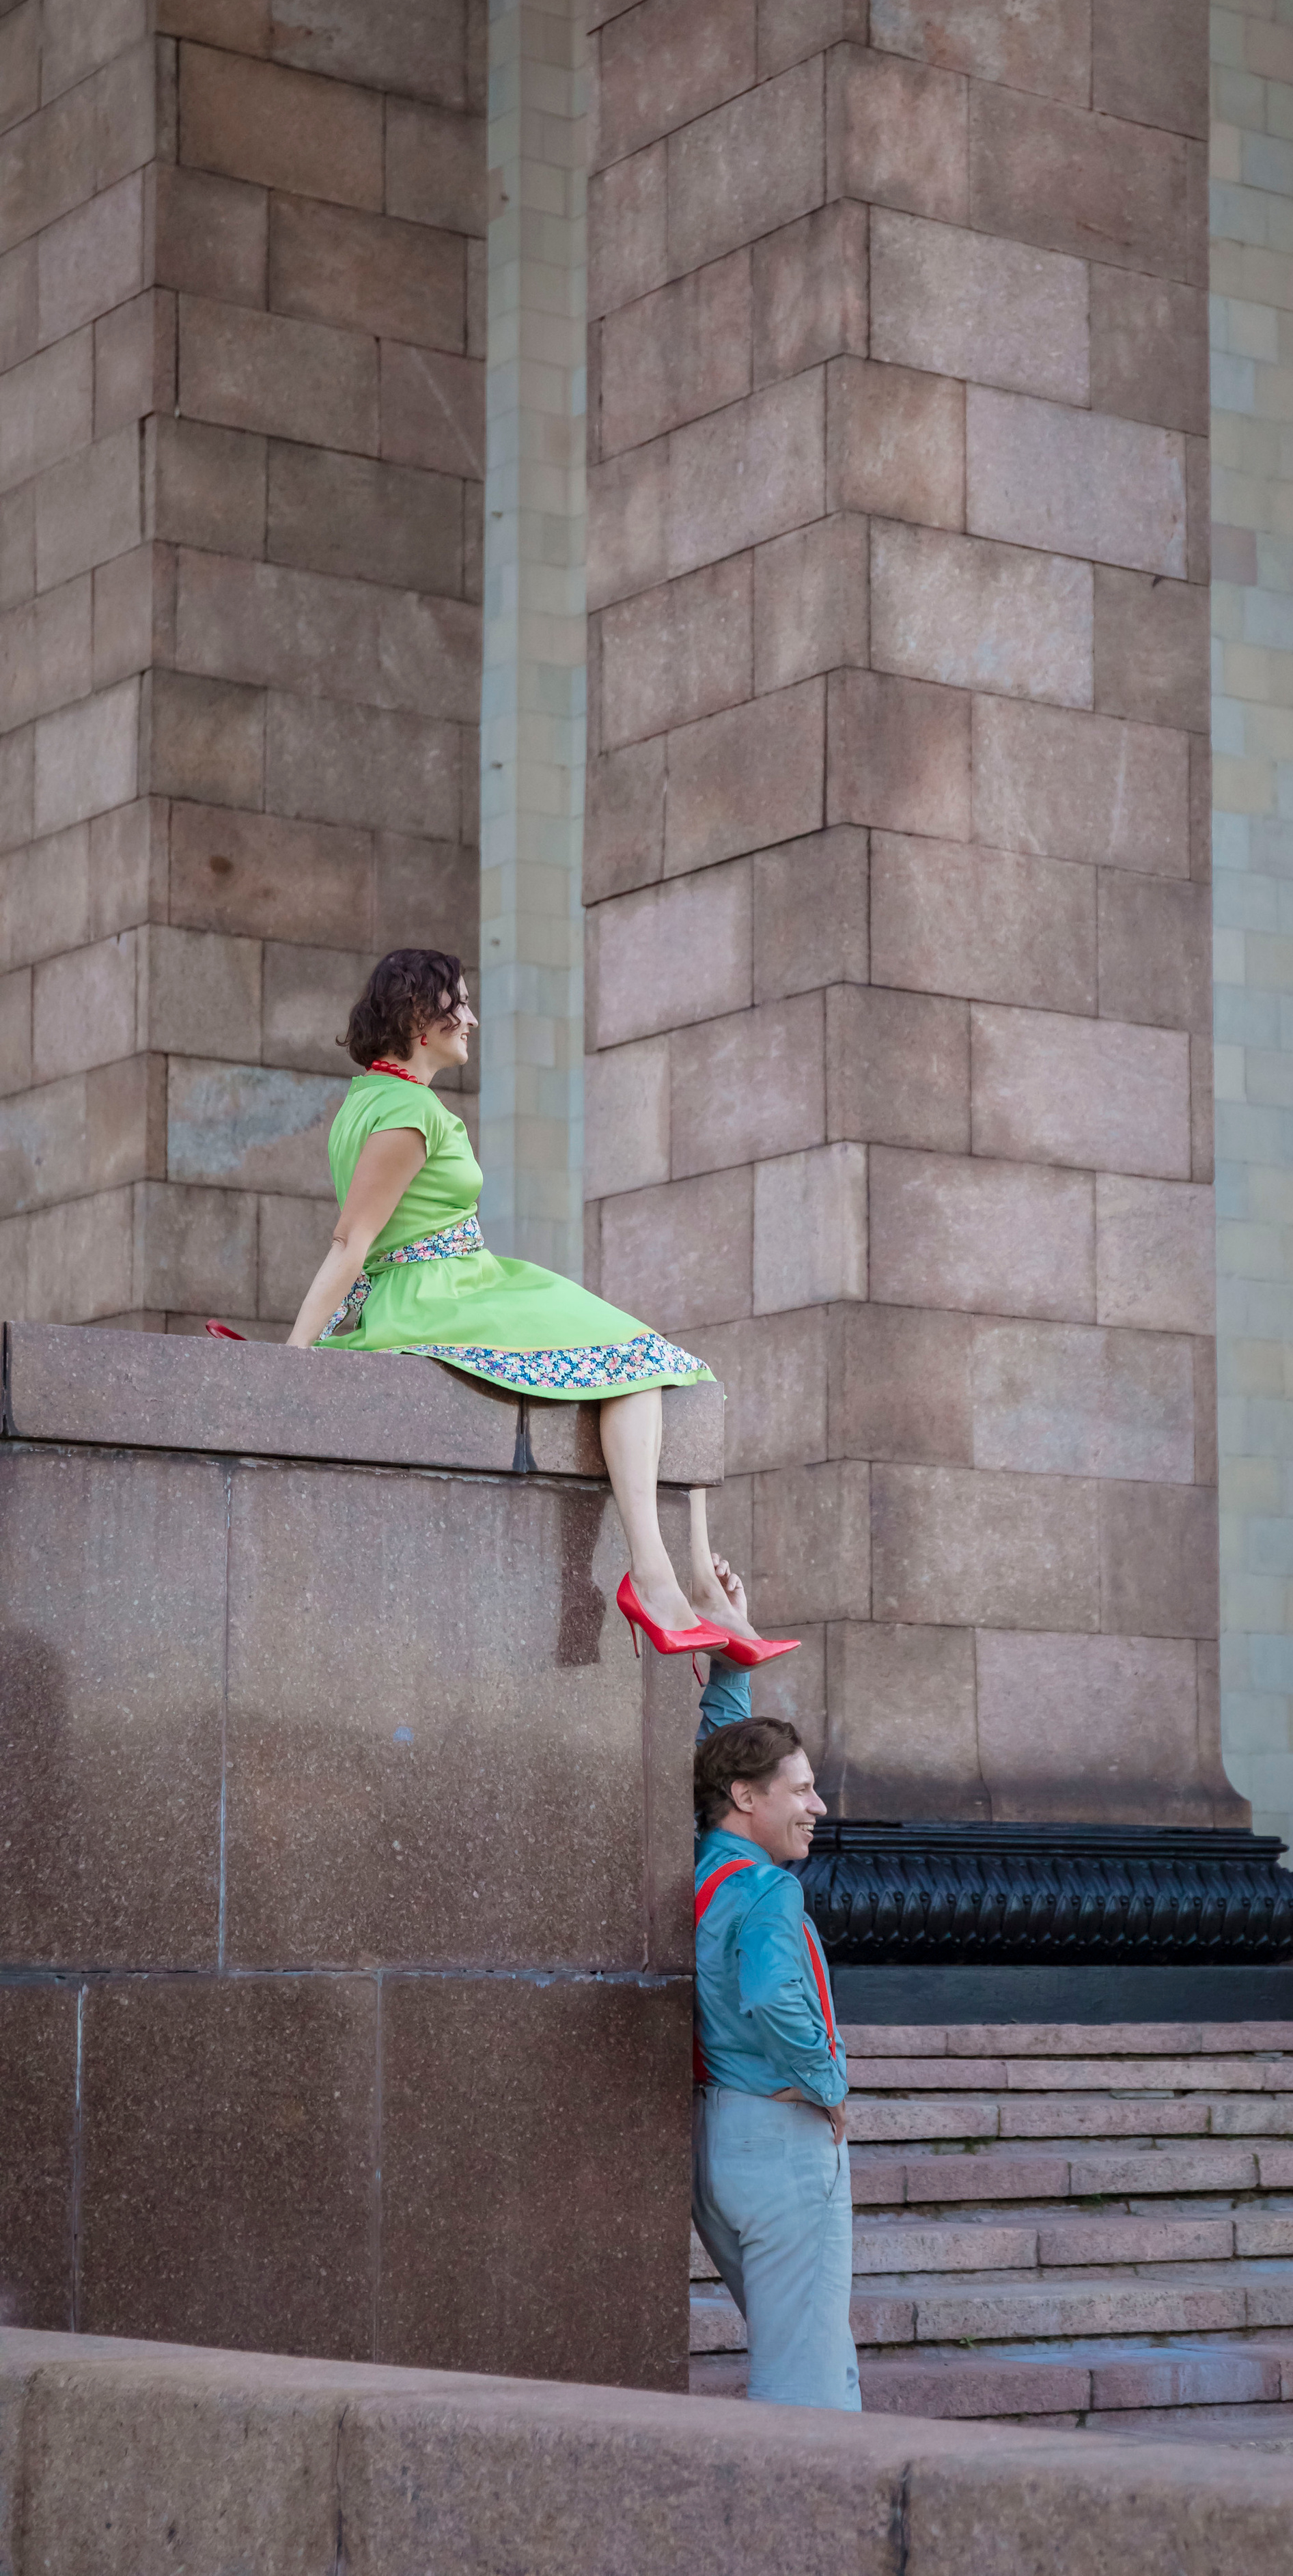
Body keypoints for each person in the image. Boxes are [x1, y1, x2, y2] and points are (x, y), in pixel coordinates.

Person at [283, 947, 793, 1664]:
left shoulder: (377, 1100)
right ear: (418, 1017)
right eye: (458, 1003)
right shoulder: (403, 1110)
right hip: (437, 1295)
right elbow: (352, 1242)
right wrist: (292, 1361)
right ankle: (655, 1581)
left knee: (682, 1372)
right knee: (644, 1363)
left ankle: (698, 1592)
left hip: (464, 1282)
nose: (473, 1018)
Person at [691, 1554, 859, 2412]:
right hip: (783, 2134)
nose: (817, 1805)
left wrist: (731, 1651)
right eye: (801, 1790)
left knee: (804, 2347)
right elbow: (769, 1994)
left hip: (720, 2136)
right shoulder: (767, 1889)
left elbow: (717, 1746)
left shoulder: (701, 1855)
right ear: (747, 1799)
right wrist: (829, 2085)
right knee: (807, 2377)